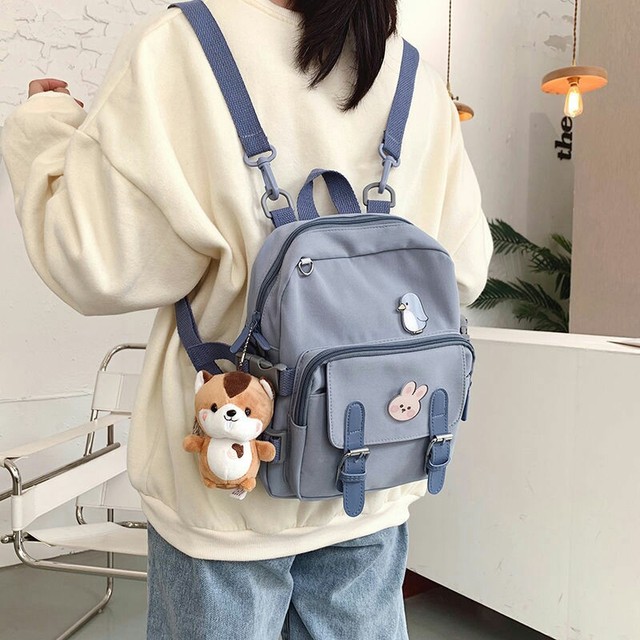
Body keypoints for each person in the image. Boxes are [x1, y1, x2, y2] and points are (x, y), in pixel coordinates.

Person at [1, 0, 493, 637]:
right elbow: (463, 271)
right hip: (370, 475)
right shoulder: (413, 75)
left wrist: (44, 129)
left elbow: (95, 263)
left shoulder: (181, 45)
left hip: (225, 491)